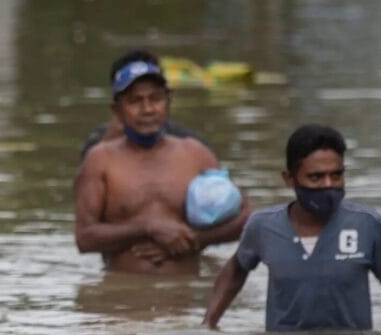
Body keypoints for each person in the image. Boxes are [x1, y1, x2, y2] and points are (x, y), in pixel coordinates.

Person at [203, 124, 381, 332]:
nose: (328, 185)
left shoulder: (366, 224)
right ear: (289, 179)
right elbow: (235, 270)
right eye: (316, 177)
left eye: (336, 175)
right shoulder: (263, 226)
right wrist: (209, 324)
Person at [74, 49, 250, 275]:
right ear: (116, 110)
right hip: (123, 301)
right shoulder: (99, 159)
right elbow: (84, 238)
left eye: (155, 98)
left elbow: (246, 216)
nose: (147, 109)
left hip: (185, 300)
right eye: (135, 101)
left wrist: (196, 239)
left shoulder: (194, 152)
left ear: (169, 100)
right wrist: (147, 228)